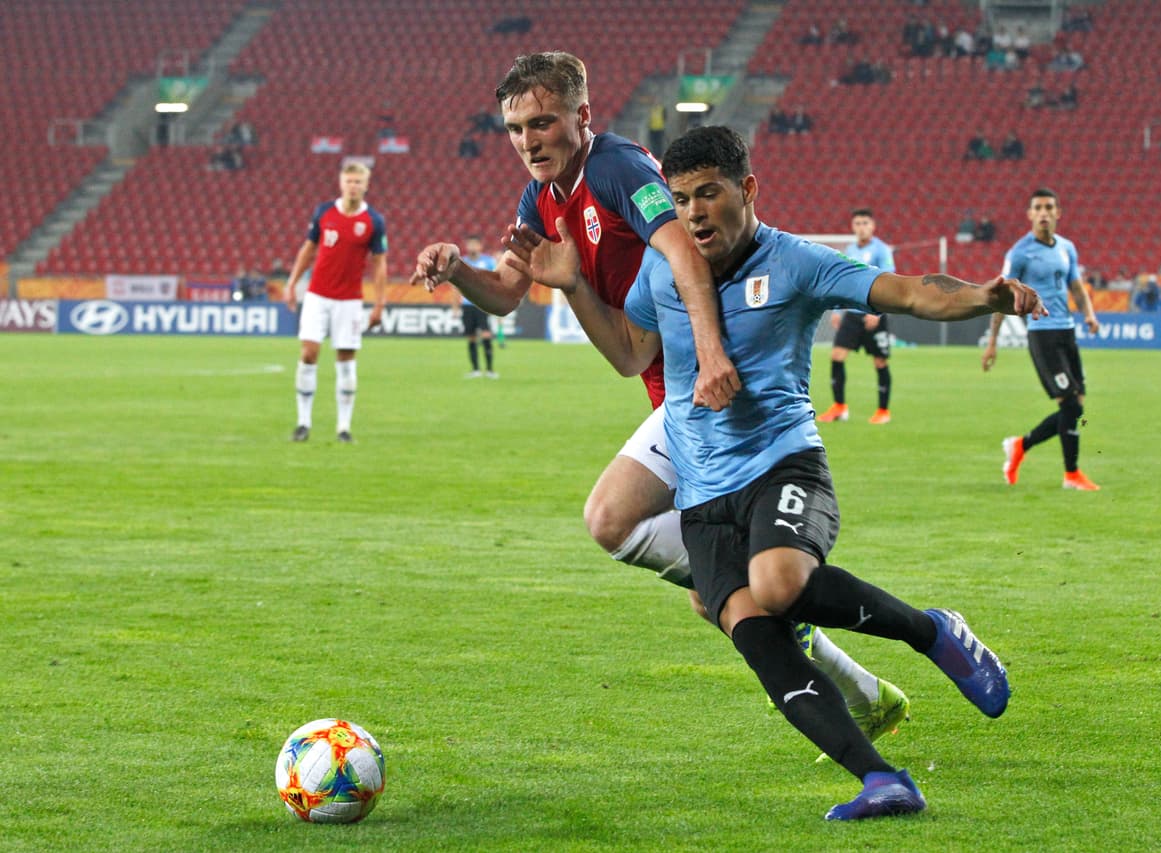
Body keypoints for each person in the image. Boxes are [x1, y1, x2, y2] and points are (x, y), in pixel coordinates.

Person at [508, 126, 1034, 821]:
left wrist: (983, 297)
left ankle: (932, 631)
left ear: (747, 190)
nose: (694, 213)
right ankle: (882, 780)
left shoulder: (795, 263)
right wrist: (573, 283)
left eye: (709, 194)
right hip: (702, 494)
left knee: (778, 583)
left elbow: (910, 290)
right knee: (756, 633)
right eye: (681, 198)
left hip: (782, 462)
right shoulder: (661, 269)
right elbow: (631, 355)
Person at [410, 53, 909, 744]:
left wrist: (710, 354)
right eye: (516, 127)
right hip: (667, 388)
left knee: (627, 527)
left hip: (706, 390)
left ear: (581, 116)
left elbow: (685, 253)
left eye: (543, 122)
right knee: (712, 592)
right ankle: (863, 692)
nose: (529, 140)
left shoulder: (618, 169)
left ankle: (902, 644)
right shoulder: (542, 198)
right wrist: (456, 267)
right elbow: (504, 294)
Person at [982, 187, 1101, 490]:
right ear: (1030, 215)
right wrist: (993, 341)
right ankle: (1071, 474)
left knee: (1077, 404)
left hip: (1067, 331)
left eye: (1049, 207)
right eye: (1038, 208)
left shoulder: (1067, 248)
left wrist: (1089, 315)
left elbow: (1076, 287)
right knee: (1071, 406)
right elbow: (1000, 296)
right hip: (1042, 333)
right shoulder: (1020, 253)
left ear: (1058, 213)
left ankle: (1021, 446)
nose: (1044, 213)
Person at [283, 161, 387, 443]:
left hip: (350, 301)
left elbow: (379, 264)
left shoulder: (374, 221)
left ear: (366, 185)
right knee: (308, 354)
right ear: (341, 183)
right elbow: (308, 249)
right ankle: (303, 422)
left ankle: (343, 427)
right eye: (349, 181)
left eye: (358, 182)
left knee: (345, 361)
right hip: (317, 295)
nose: (353, 186)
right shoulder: (323, 212)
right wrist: (292, 283)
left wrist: (379, 303)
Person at [816, 208, 896, 425]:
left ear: (873, 226)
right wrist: (837, 309)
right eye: (858, 223)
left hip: (873, 314)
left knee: (879, 361)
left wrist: (878, 312)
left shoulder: (881, 250)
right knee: (837, 356)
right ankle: (840, 407)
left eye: (865, 223)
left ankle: (883, 410)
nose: (861, 227)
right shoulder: (850, 250)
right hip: (851, 313)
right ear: (853, 227)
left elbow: (888, 282)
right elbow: (844, 282)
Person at [452, 235, 499, 377]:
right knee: (471, 337)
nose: (472, 247)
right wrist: (455, 307)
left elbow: (496, 282)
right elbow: (456, 287)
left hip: (482, 304)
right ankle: (475, 369)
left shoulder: (489, 262)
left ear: (480, 246)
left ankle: (490, 370)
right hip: (467, 305)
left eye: (474, 244)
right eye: (469, 244)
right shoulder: (462, 263)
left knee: (486, 334)